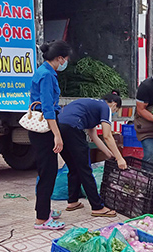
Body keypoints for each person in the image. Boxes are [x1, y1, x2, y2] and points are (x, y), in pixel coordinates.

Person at [58, 91, 128, 218]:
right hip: (73, 128)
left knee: (74, 167)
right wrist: (119, 158)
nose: (113, 113)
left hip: (59, 129)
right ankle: (97, 207)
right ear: (114, 104)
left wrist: (108, 154)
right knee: (85, 169)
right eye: (115, 110)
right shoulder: (105, 107)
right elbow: (107, 136)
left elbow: (93, 135)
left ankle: (72, 201)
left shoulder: (92, 106)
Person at [29, 40, 72, 230]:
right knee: (48, 172)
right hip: (45, 128)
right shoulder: (46, 75)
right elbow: (47, 108)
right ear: (60, 58)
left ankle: (44, 210)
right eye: (66, 59)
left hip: (43, 127)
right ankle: (42, 219)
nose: (66, 62)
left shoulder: (44, 71)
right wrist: (57, 135)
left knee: (46, 171)